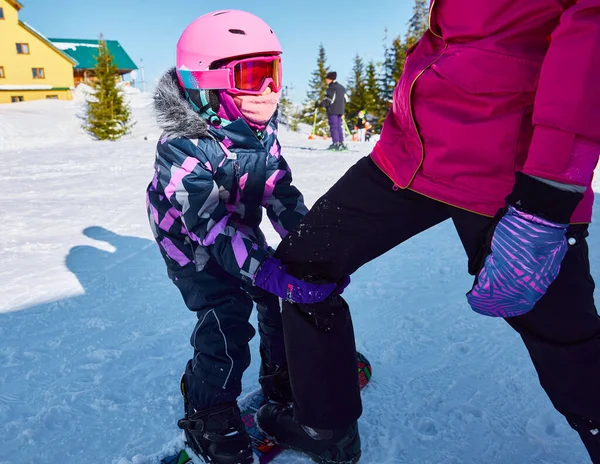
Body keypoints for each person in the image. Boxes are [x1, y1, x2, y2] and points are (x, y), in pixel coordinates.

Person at [256, 1, 600, 463]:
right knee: (302, 266)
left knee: (567, 341)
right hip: (409, 154)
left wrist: (549, 192)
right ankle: (324, 425)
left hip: (513, 167)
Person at [146, 10, 335, 464]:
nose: (269, 90)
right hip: (191, 245)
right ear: (206, 83)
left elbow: (279, 190)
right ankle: (207, 415)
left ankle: (280, 379)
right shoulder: (182, 149)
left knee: (272, 298)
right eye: (253, 76)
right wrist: (265, 268)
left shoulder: (260, 132)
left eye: (273, 73)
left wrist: (312, 248)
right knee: (227, 317)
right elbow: (209, 225)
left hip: (238, 230)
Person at [318, 71, 348, 151]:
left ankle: (336, 143)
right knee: (339, 126)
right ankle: (341, 143)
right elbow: (346, 99)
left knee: (334, 126)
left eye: (326, 79)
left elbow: (329, 99)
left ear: (330, 79)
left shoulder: (331, 88)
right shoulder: (342, 87)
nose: (326, 81)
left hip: (333, 110)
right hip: (340, 110)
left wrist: (320, 104)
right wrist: (341, 107)